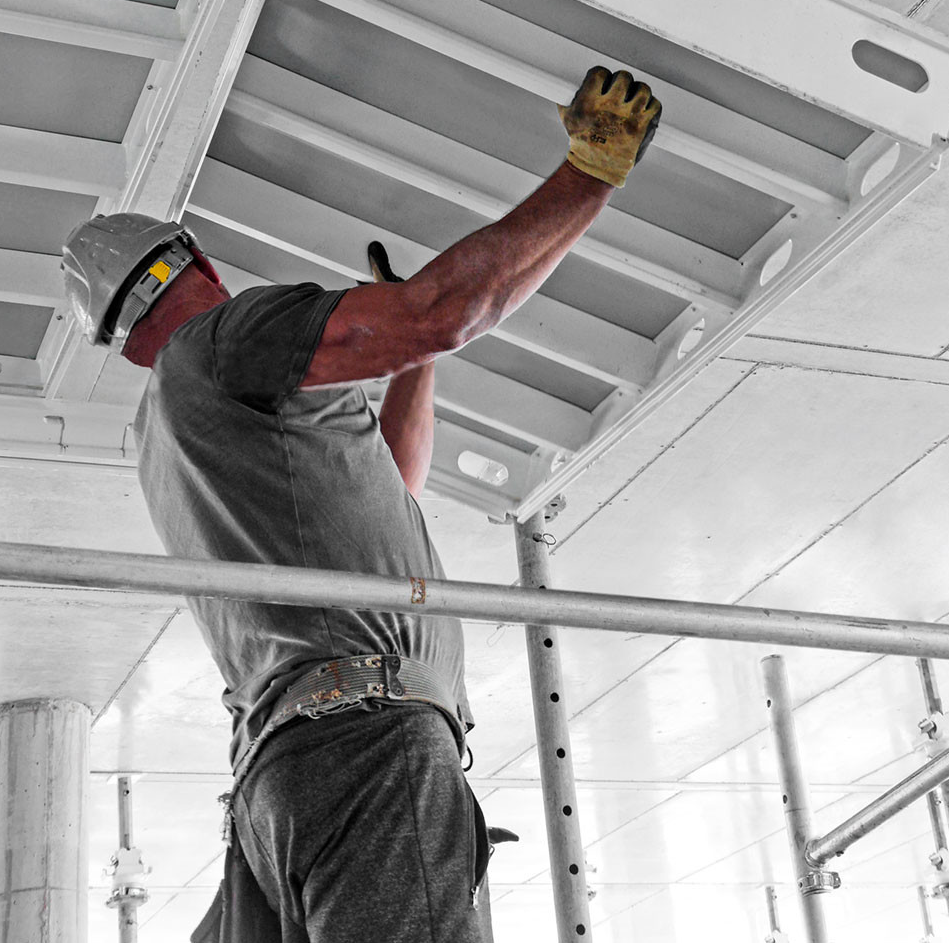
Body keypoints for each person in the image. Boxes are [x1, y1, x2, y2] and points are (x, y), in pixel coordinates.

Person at [60, 67, 661, 943]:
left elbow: (387, 482)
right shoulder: (226, 339)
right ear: (203, 263)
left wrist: (415, 360)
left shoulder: (170, 432)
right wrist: (590, 174)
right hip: (363, 749)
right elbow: (443, 311)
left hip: (290, 776)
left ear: (122, 347)